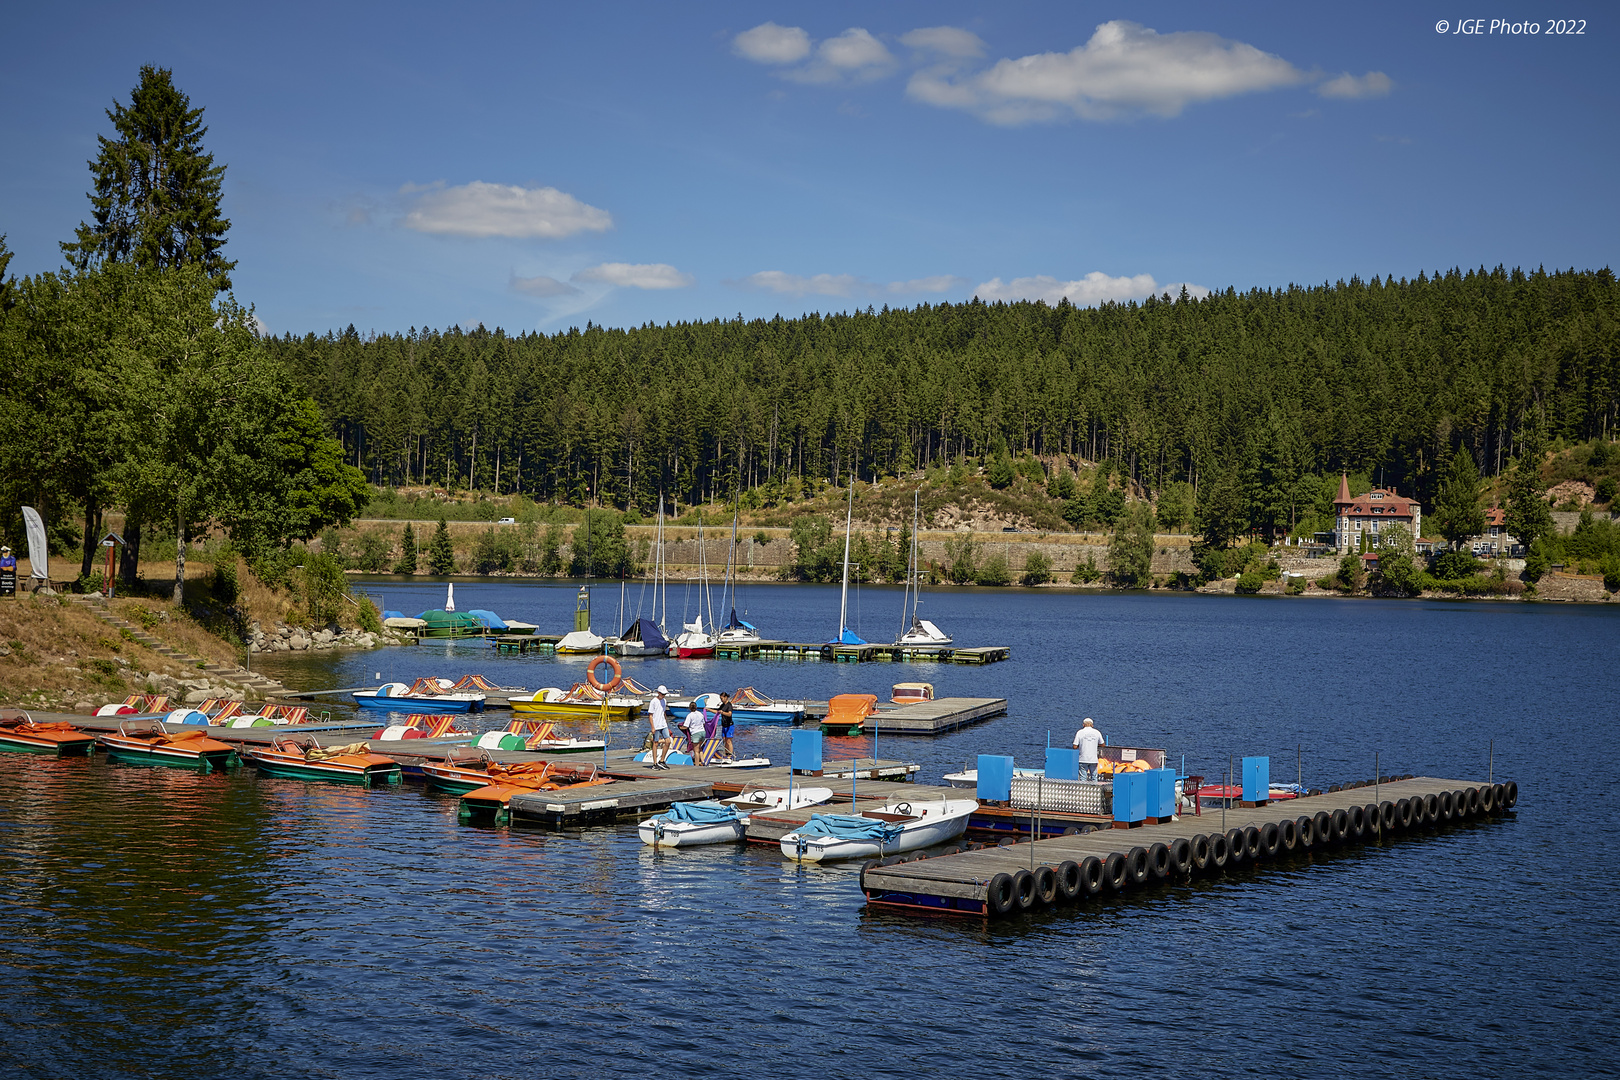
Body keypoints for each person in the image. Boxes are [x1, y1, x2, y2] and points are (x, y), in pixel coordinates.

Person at [1072, 717, 1106, 781]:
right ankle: (1095, 789)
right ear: (1092, 725)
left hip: (1083, 758)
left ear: (1083, 725)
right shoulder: (1097, 732)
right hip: (1093, 759)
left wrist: (1082, 745)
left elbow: (1074, 746)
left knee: (1083, 778)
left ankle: (1083, 789)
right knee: (1094, 777)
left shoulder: (1080, 732)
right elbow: (1103, 744)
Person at [648, 686, 672, 768]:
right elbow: (650, 715)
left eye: (664, 694)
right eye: (662, 694)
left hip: (663, 724)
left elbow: (663, 712)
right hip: (656, 724)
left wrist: (666, 722)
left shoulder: (664, 701)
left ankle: (662, 760)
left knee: (668, 741)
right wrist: (652, 727)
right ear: (658, 693)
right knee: (655, 743)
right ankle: (654, 763)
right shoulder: (653, 701)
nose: (663, 695)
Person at [717, 692, 736, 762]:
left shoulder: (729, 705)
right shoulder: (722, 705)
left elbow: (729, 714)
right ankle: (726, 753)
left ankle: (730, 755)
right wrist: (708, 709)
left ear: (725, 697)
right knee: (724, 740)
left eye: (722, 698)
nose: (721, 700)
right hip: (724, 725)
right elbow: (717, 711)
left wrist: (722, 712)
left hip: (729, 725)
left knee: (728, 741)